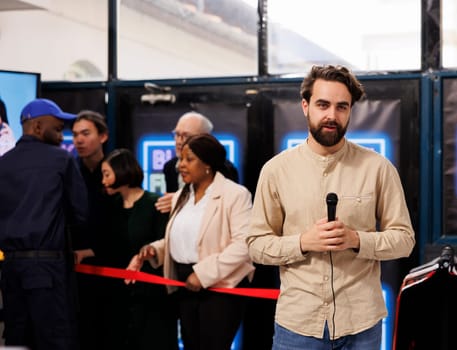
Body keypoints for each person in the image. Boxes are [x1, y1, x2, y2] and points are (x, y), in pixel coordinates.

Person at [246, 65, 416, 350]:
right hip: (298, 326)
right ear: (305, 106)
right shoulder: (276, 171)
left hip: (362, 325)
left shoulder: (377, 168)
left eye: (342, 107)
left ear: (350, 111)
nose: (332, 116)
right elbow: (255, 245)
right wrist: (303, 242)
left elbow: (404, 240)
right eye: (323, 105)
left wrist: (357, 240)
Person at [127, 133, 254, 350]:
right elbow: (180, 238)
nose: (180, 165)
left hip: (222, 288)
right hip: (185, 284)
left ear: (208, 164)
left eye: (188, 159)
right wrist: (154, 250)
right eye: (180, 159)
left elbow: (244, 245)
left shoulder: (235, 194)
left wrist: (203, 274)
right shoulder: (181, 196)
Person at [0, 98, 88, 350]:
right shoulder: (61, 160)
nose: (62, 136)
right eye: (58, 129)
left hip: (10, 270)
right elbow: (80, 214)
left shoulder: (3, 164)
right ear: (37, 127)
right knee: (56, 340)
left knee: (17, 340)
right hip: (49, 267)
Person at [99, 148, 175, 350]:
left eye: (107, 174)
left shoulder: (155, 204)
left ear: (122, 171)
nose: (103, 181)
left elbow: (164, 245)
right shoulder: (110, 206)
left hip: (151, 296)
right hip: (118, 297)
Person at [71, 110, 110, 350]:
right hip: (74, 270)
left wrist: (95, 249)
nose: (78, 140)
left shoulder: (117, 169)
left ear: (103, 136)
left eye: (86, 133)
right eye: (75, 135)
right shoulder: (69, 170)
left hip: (110, 269)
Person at [155, 111, 238, 214]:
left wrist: (181, 200)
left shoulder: (225, 169)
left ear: (204, 138)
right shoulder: (170, 167)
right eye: (177, 134)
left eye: (186, 136)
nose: (179, 141)